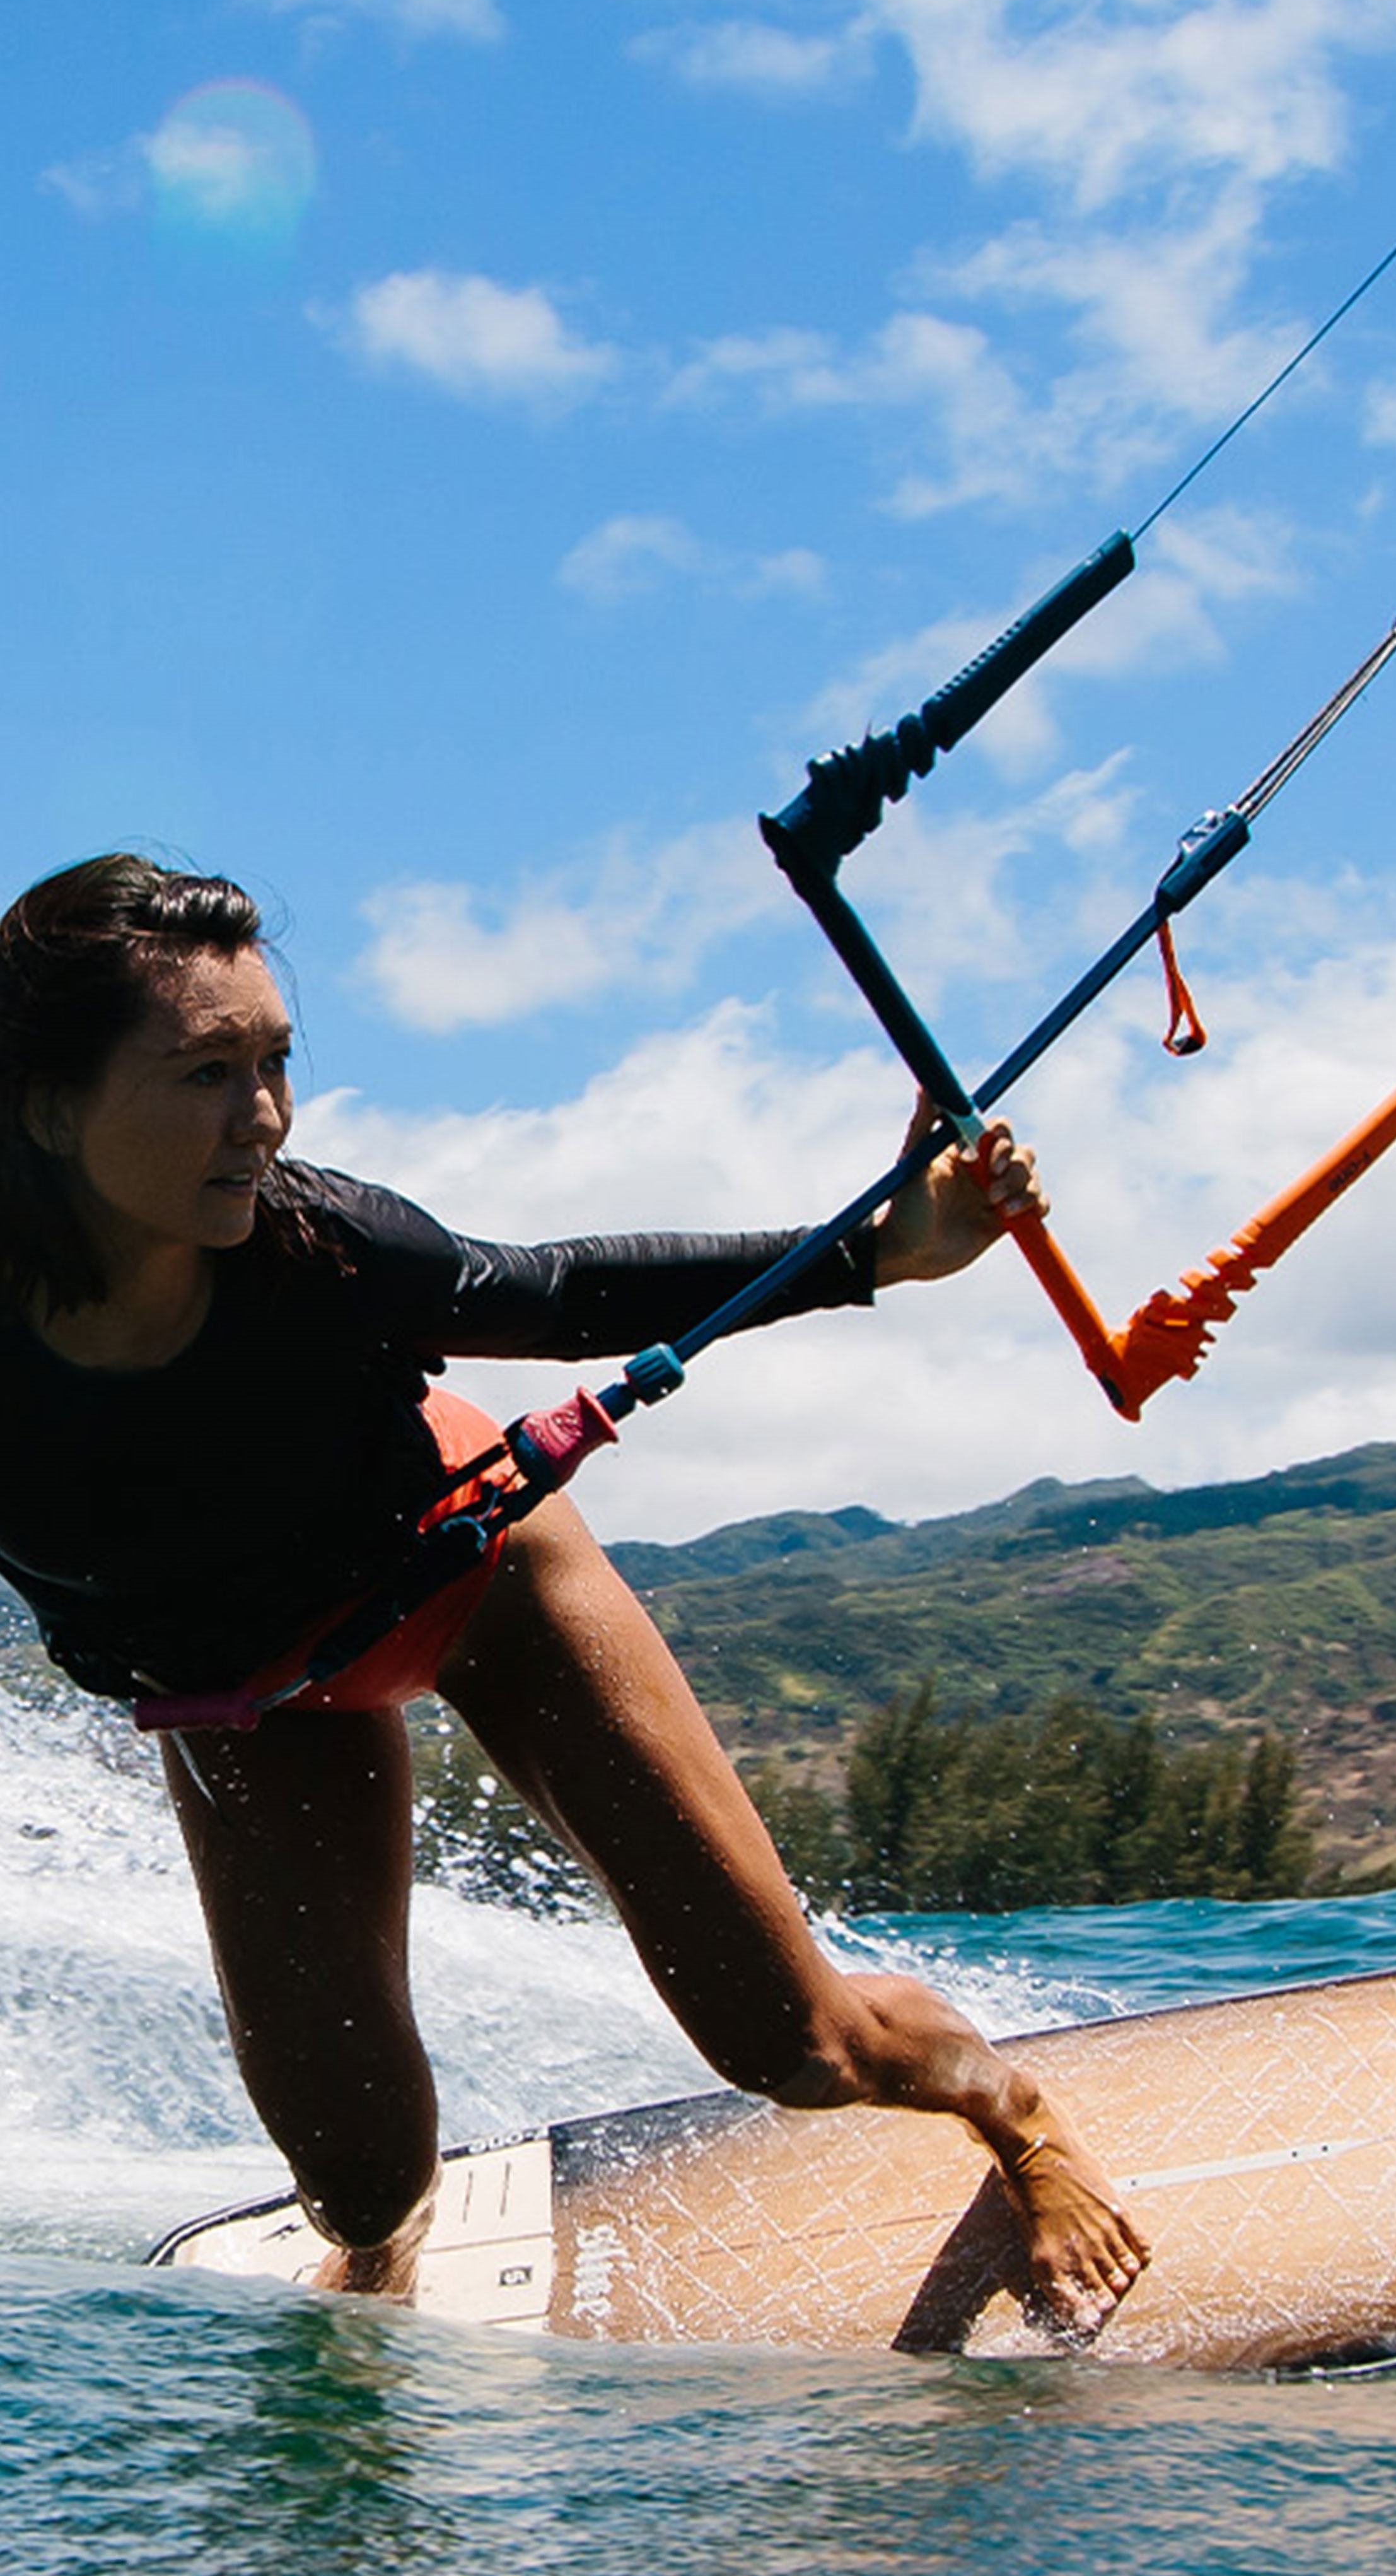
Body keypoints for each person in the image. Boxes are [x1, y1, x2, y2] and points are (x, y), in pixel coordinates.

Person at [0, 855, 1149, 2332]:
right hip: (251, 1700)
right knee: (349, 2171)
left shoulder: (330, 1247)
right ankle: (379, 2294)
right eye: (206, 1075)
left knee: (790, 2046)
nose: (263, 1118)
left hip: (471, 1577)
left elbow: (556, 1288)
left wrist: (876, 1250)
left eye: (276, 1062)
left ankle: (1015, 2113)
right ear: (43, 1107)